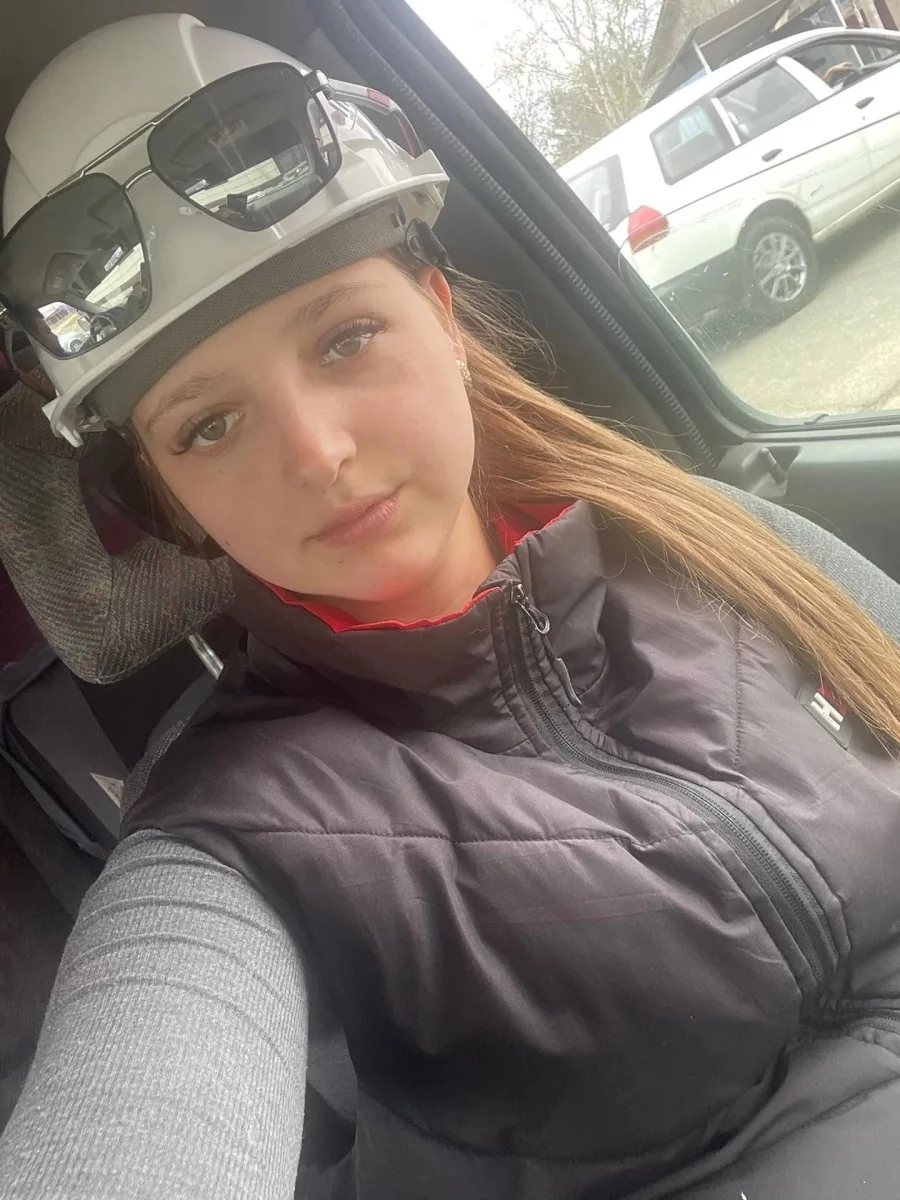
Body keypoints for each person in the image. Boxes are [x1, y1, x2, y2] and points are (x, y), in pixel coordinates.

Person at [1, 11, 900, 1200]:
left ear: (444, 316)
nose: (318, 453)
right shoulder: (223, 831)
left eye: (346, 338)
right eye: (209, 425)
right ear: (174, 502)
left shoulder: (703, 535)